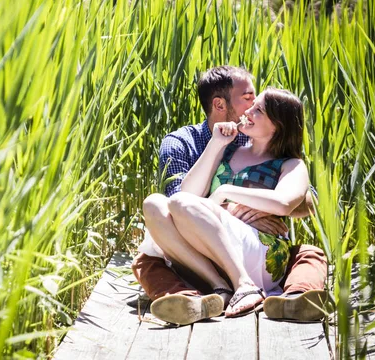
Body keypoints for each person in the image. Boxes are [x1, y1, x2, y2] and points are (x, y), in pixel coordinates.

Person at [132, 66, 330, 324]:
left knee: (308, 253)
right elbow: (179, 200)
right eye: (248, 99)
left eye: (257, 107)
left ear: (277, 125)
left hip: (248, 245)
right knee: (152, 217)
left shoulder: (283, 160)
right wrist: (216, 151)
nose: (249, 109)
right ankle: (207, 293)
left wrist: (239, 200)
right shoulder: (198, 144)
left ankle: (288, 294)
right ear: (219, 104)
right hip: (202, 241)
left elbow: (301, 199)